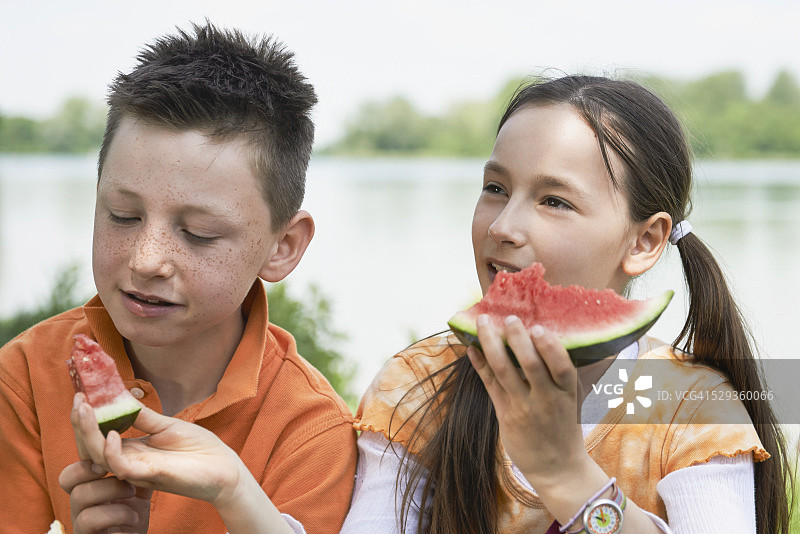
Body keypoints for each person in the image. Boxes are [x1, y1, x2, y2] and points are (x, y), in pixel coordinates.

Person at [340, 76, 793, 534]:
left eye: (554, 201)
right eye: (495, 188)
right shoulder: (418, 384)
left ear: (644, 241)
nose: (503, 225)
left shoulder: (691, 407)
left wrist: (568, 476)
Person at [0, 22, 357, 534]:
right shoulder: (24, 380)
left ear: (283, 247)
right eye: (123, 215)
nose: (147, 260)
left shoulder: (310, 432)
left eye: (199, 233)